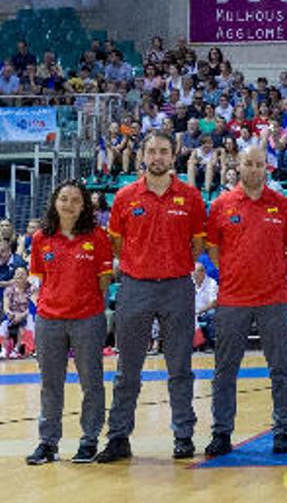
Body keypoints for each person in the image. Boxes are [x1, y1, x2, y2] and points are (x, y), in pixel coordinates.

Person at [96, 133, 207, 463]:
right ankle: (118, 437)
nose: (157, 156)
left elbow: (198, 246)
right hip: (135, 288)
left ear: (173, 157)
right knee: (127, 368)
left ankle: (183, 435)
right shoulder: (125, 196)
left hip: (177, 288)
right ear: (142, 155)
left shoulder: (190, 196)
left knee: (180, 367)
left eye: (163, 151)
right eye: (152, 151)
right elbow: (117, 245)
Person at [202, 146, 287, 456]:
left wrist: (274, 273)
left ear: (267, 168)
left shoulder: (283, 205)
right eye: (249, 163)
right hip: (233, 299)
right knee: (225, 369)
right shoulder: (221, 204)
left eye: (260, 164)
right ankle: (221, 432)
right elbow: (213, 251)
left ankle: (283, 428)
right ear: (239, 165)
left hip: (274, 298)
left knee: (281, 367)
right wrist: (234, 274)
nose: (254, 169)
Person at [24, 181, 114, 465]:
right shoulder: (40, 238)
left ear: (84, 205)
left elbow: (104, 281)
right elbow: (39, 277)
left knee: (91, 383)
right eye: (63, 198)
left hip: (87, 319)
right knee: (50, 384)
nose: (69, 204)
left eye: (76, 200)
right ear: (55, 202)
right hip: (49, 320)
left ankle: (89, 440)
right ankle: (48, 443)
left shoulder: (98, 236)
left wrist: (85, 305)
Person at [192, 263, 218, 351]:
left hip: (206, 310)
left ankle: (209, 342)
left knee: (212, 314)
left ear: (203, 272)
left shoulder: (212, 283)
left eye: (196, 273)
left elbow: (214, 302)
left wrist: (199, 311)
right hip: (191, 312)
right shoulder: (189, 282)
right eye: (193, 273)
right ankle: (192, 343)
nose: (194, 275)